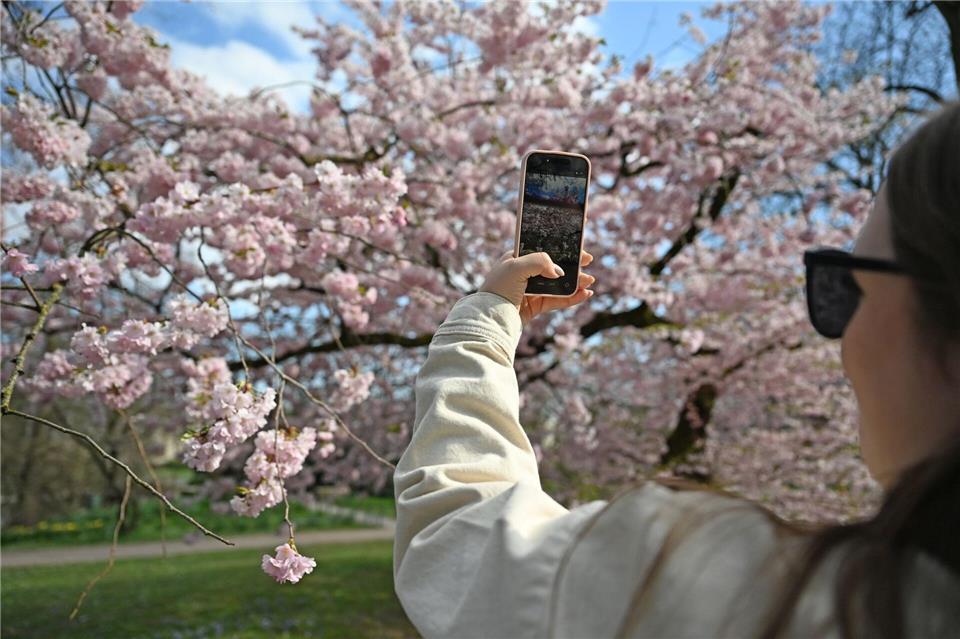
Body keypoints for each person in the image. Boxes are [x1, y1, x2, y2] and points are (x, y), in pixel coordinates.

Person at [392, 103, 960, 638]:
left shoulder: (723, 586)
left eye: (848, 285)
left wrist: (482, 322)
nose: (841, 337)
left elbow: (457, 532)